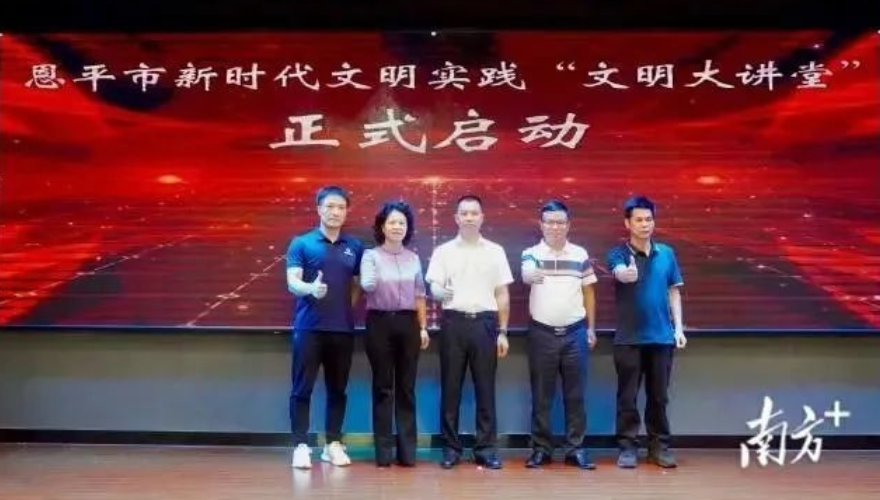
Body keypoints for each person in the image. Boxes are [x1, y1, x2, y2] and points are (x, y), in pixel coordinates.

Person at [425, 194, 513, 470]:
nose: (469, 218)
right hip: (453, 323)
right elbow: (433, 286)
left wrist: (503, 331)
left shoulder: (496, 251)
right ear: (456, 218)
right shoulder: (443, 251)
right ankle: (451, 449)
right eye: (464, 213)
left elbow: (502, 293)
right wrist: (439, 292)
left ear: (482, 217)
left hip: (485, 324)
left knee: (485, 389)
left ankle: (485, 449)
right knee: (451, 388)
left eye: (474, 213)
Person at [285, 185, 364, 469]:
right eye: (330, 206)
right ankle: (300, 445)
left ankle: (333, 444)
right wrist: (310, 289)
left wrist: (341, 309)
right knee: (302, 389)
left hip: (342, 330)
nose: (335, 212)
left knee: (338, 390)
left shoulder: (355, 246)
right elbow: (292, 282)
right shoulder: (301, 243)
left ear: (346, 212)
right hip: (309, 329)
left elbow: (356, 287)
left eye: (341, 207)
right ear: (319, 209)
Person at [607, 195, 687, 469]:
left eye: (649, 219)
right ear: (627, 223)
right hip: (628, 339)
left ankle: (659, 447)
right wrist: (626, 274)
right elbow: (619, 272)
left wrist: (678, 328)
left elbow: (673, 291)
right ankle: (627, 448)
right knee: (627, 397)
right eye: (639, 220)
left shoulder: (667, 253)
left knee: (659, 397)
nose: (645, 224)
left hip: (662, 338)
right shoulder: (618, 253)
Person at [520, 200, 598, 470]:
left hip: (576, 334)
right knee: (542, 396)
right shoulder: (531, 253)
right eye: (550, 222)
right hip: (542, 333)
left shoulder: (579, 254)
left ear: (568, 225)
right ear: (541, 225)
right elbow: (527, 273)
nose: (555, 227)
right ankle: (541, 450)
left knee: (576, 396)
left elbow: (589, 292)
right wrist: (531, 274)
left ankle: (575, 450)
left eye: (560, 222)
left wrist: (591, 328)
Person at [360, 200, 430, 467]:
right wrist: (370, 277)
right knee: (383, 387)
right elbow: (367, 285)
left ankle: (407, 453)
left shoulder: (413, 258)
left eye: (402, 222)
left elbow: (420, 295)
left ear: (407, 228)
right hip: (379, 323)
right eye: (392, 222)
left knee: (406, 388)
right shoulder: (371, 256)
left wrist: (423, 327)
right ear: (382, 226)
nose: (397, 226)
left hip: (408, 323)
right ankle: (383, 453)